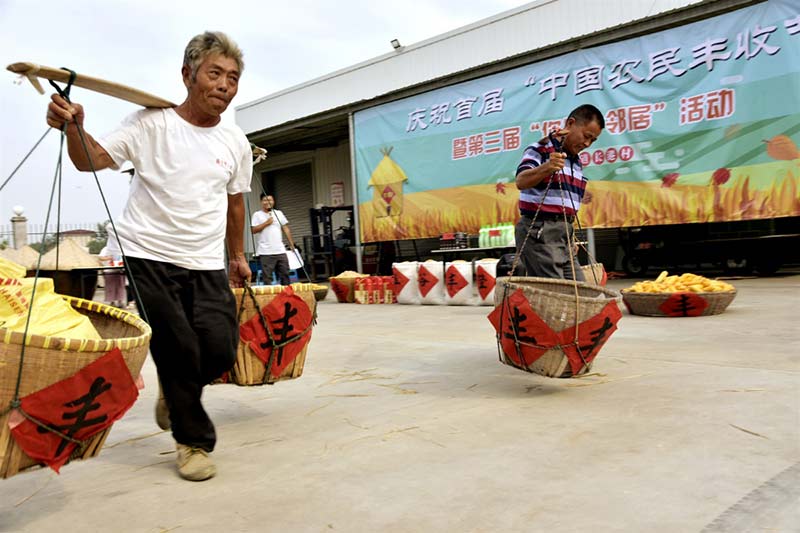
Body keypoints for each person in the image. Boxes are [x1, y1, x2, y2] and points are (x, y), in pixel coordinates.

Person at [46, 31, 252, 481]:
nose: (224, 85)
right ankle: (193, 442)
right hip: (148, 254)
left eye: (233, 78)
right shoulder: (150, 124)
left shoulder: (235, 142)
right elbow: (90, 160)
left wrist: (236, 255)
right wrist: (74, 127)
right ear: (187, 75)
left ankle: (175, 393)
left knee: (218, 350)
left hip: (205, 260)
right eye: (214, 73)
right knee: (177, 347)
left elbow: (236, 202)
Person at [513, 104, 605, 281]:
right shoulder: (540, 149)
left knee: (582, 292)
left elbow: (566, 208)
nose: (587, 144)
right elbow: (521, 181)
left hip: (564, 236)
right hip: (540, 231)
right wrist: (547, 167)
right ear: (571, 123)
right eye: (586, 136)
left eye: (593, 140)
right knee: (557, 295)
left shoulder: (576, 162)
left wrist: (569, 237)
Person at [251, 193, 296, 286]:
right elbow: (253, 230)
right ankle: (271, 298)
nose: (268, 202)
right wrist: (266, 223)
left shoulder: (279, 213)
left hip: (280, 250)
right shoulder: (257, 215)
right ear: (261, 202)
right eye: (265, 200)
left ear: (273, 201)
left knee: (285, 274)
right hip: (266, 252)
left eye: (270, 200)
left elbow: (285, 228)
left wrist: (291, 243)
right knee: (267, 277)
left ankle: (286, 297)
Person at [97, 223, 126, 308]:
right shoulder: (106, 249)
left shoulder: (120, 249)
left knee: (120, 286)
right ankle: (112, 302)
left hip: (119, 270)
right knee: (110, 287)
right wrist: (109, 258)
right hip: (109, 270)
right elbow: (100, 258)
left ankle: (120, 301)